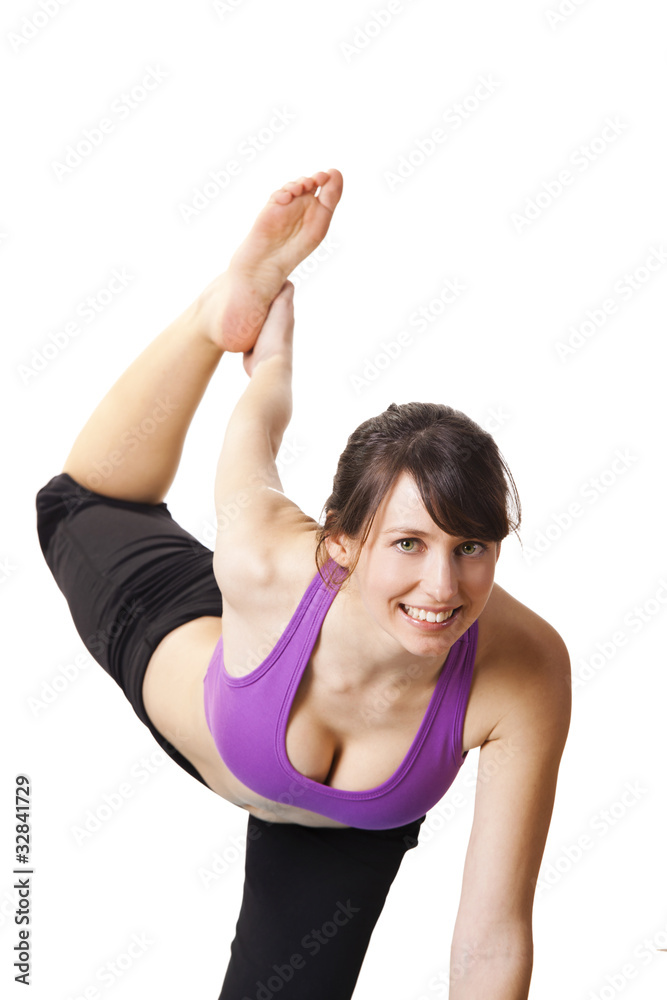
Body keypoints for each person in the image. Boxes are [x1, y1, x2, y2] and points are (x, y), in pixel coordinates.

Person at [35, 168, 571, 999]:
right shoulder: (261, 555)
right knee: (78, 505)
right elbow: (257, 429)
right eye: (407, 542)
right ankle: (211, 310)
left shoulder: (524, 671)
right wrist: (263, 353)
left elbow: (492, 936)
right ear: (342, 543)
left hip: (341, 838)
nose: (442, 585)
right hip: (224, 656)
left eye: (471, 547)